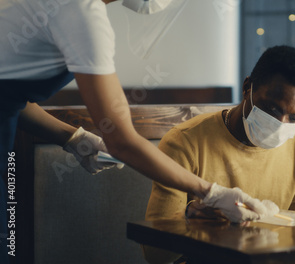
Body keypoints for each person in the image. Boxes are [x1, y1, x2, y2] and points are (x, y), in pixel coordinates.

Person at [0, 1, 273, 261]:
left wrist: (72, 138)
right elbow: (123, 141)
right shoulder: (82, 14)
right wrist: (211, 192)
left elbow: (11, 98)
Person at [143, 45, 295, 263]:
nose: (279, 125)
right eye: (272, 109)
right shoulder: (185, 142)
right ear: (247, 88)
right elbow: (155, 254)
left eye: (294, 118)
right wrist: (188, 219)